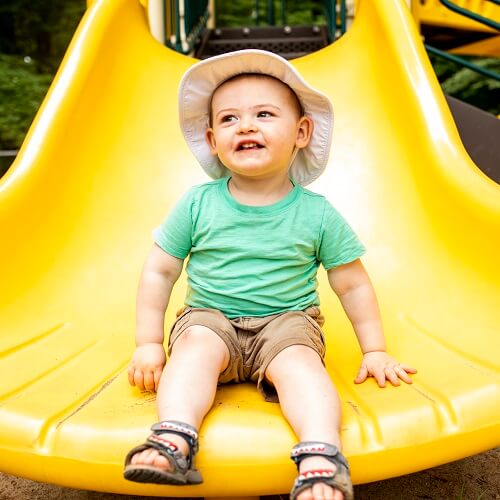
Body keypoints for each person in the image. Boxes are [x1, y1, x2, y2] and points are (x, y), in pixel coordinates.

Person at [123, 49, 416, 500]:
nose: (245, 126)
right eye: (228, 119)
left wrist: (374, 350)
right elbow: (160, 272)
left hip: (287, 322)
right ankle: (173, 439)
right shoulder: (197, 204)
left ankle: (321, 457)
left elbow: (352, 283)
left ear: (301, 132)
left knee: (300, 366)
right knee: (194, 349)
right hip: (210, 317)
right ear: (212, 138)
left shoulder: (317, 214)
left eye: (263, 114)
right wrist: (147, 342)